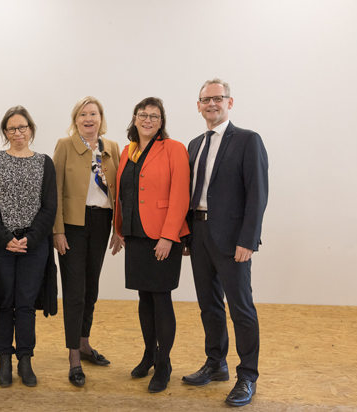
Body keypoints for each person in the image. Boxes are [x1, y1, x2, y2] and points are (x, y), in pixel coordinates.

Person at [182, 78, 268, 407]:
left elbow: (257, 194)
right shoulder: (194, 144)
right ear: (199, 105)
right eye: (205, 100)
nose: (211, 104)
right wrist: (187, 235)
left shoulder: (247, 140)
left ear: (229, 102)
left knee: (240, 309)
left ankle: (247, 376)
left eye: (218, 98)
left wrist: (248, 240)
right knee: (210, 305)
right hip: (199, 234)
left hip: (233, 241)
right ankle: (216, 363)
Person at [0, 105, 57, 388]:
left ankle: (25, 358)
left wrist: (30, 238)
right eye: (12, 128)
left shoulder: (45, 162)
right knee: (3, 303)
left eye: (23, 127)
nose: (18, 132)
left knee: (25, 304)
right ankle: (4, 360)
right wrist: (4, 237)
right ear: (5, 133)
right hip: (1, 244)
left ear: (31, 130)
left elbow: (50, 207)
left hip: (33, 246)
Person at [113, 97, 190, 393]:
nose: (147, 120)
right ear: (134, 119)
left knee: (160, 299)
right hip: (134, 235)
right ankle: (149, 353)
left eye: (154, 116)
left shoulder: (173, 149)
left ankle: (164, 362)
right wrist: (118, 230)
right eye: (142, 115)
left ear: (162, 122)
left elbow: (180, 195)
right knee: (144, 298)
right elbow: (124, 192)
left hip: (161, 237)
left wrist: (169, 236)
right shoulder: (127, 151)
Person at [52, 96, 122, 387]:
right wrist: (57, 230)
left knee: (91, 287)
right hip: (72, 224)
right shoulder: (65, 145)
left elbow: (119, 192)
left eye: (93, 114)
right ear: (76, 119)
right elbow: (53, 190)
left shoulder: (112, 148)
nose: (88, 119)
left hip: (101, 222)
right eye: (83, 114)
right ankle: (73, 357)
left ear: (100, 118)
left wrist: (118, 229)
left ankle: (84, 343)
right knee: (74, 291)